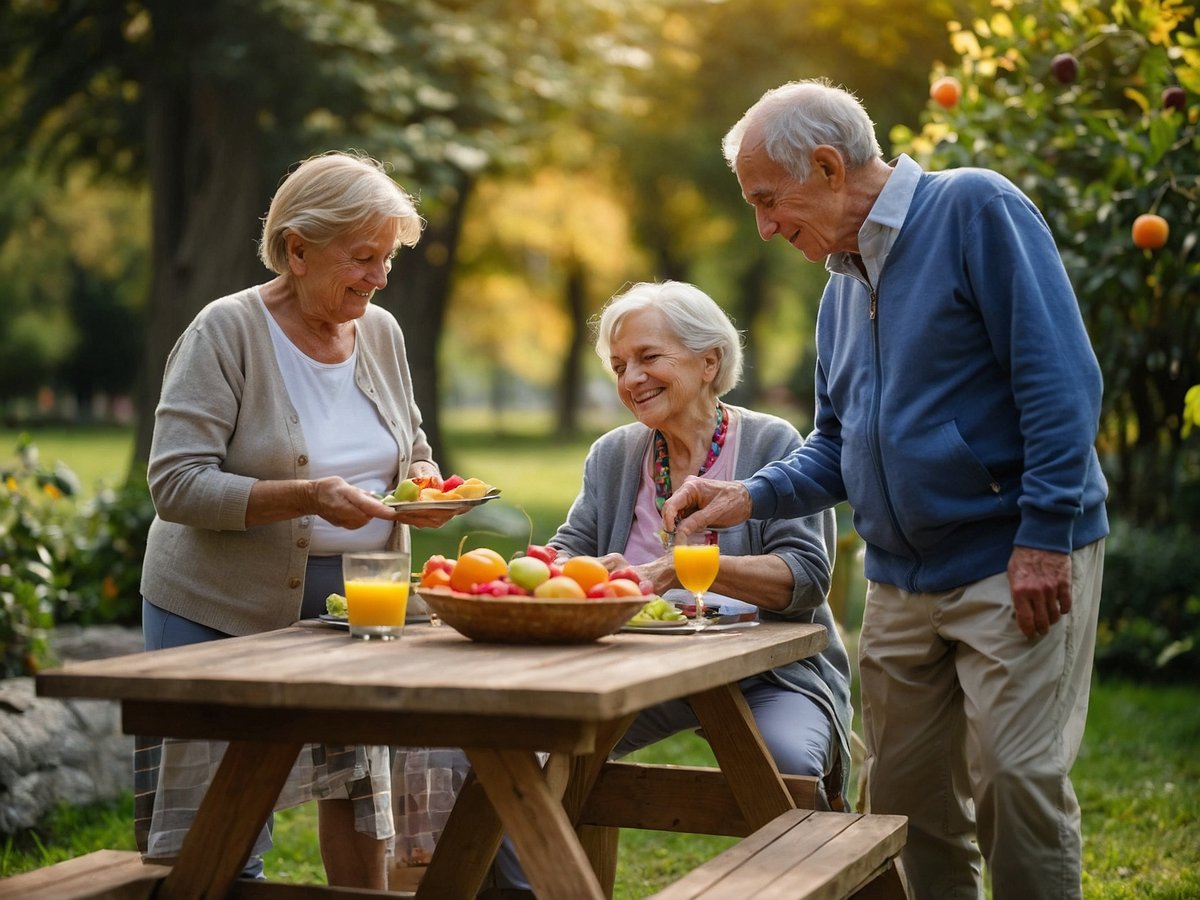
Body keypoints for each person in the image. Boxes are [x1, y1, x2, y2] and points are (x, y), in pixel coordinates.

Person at [661, 79, 1109, 900]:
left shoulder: (974, 209)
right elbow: (837, 442)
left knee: (1015, 784)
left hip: (1013, 558)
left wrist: (1046, 534)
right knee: (904, 806)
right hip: (902, 580)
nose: (764, 228)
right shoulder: (841, 282)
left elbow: (1062, 385)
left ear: (829, 166)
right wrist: (748, 497)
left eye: (769, 200)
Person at [134, 151, 464, 888]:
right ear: (297, 249)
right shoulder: (224, 331)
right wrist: (307, 496)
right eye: (363, 258)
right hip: (221, 610)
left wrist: (420, 482)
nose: (380, 277)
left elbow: (411, 443)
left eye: (388, 259)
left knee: (357, 800)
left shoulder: (379, 332)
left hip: (358, 609)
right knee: (224, 823)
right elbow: (176, 485)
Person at [485, 279, 854, 894]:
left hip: (768, 673)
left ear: (709, 361)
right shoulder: (615, 454)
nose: (631, 379)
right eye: (620, 365)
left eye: (649, 358)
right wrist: (542, 567)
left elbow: (806, 578)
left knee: (787, 772)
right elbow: (570, 548)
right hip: (631, 673)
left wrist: (682, 568)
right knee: (518, 765)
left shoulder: (772, 444)